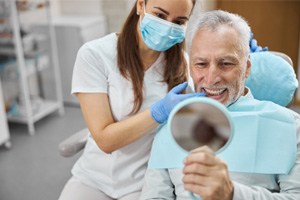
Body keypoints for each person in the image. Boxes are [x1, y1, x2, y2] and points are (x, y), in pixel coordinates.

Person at [140, 10, 300, 199]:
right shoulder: (171, 126)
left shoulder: (290, 126)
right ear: (190, 66)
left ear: (246, 67)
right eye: (201, 64)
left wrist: (232, 194)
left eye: (225, 63)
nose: (211, 78)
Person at [58, 0, 203, 200]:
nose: (167, 26)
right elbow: (105, 141)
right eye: (160, 16)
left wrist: (241, 60)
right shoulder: (95, 55)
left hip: (145, 184)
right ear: (140, 5)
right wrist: (158, 112)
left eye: (179, 22)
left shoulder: (183, 66)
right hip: (93, 178)